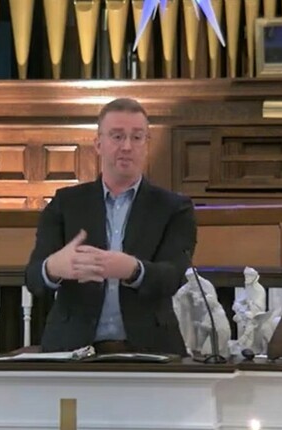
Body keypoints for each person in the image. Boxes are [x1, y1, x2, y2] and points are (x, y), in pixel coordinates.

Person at [25, 98, 197, 355]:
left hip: (150, 350)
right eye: (117, 136)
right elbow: (33, 278)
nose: (127, 146)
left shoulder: (174, 208)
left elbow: (174, 276)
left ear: (146, 144)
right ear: (99, 144)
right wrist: (53, 268)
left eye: (137, 137)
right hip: (72, 350)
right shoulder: (65, 203)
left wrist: (133, 270)